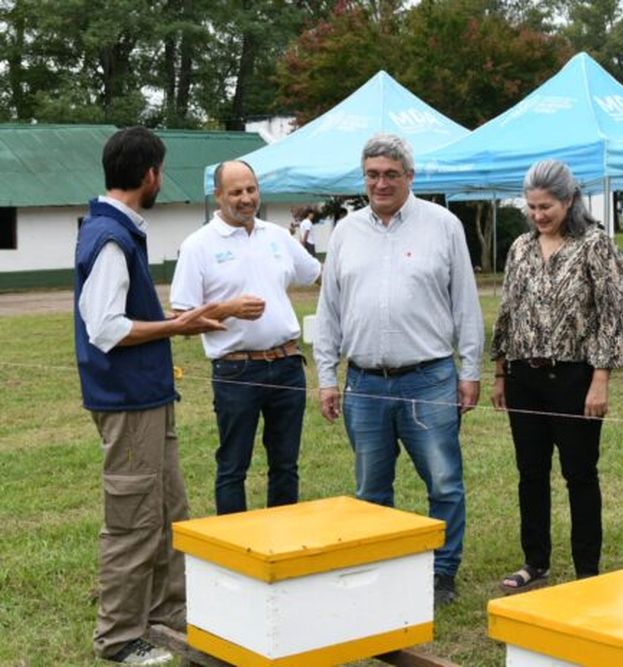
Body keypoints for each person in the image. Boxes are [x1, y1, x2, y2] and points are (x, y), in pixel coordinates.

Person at [74, 127, 225, 664]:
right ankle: (118, 639)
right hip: (127, 402)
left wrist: (179, 321)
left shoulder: (116, 229)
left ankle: (165, 615)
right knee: (134, 520)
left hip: (147, 397)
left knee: (167, 510)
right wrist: (179, 327)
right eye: (161, 171)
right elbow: (107, 328)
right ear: (149, 175)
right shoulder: (110, 237)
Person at [313, 133, 484, 607]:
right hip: (364, 382)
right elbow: (329, 310)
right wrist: (327, 376)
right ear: (363, 178)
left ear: (410, 176)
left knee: (444, 481)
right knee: (371, 486)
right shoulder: (345, 232)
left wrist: (469, 371)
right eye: (372, 175)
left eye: (391, 174)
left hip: (429, 377)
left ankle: (442, 572)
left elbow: (465, 304)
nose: (381, 183)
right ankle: (380, 570)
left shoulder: (444, 226)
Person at [491, 159, 623, 592]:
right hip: (523, 375)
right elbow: (507, 310)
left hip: (575, 377)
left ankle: (586, 569)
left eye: (546, 206)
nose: (537, 215)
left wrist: (601, 378)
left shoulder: (594, 245)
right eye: (531, 207)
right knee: (530, 473)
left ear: (569, 200)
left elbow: (613, 313)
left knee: (580, 474)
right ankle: (535, 561)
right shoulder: (520, 247)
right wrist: (499, 372)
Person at [170, 161, 321, 515]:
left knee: (285, 465)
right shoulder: (198, 246)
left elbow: (319, 276)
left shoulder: (276, 236)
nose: (246, 198)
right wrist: (228, 309)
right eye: (236, 192)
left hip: (287, 365)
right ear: (218, 196)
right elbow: (180, 319)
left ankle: (281, 548)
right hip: (237, 372)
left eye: (251, 189)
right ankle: (235, 560)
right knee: (233, 467)